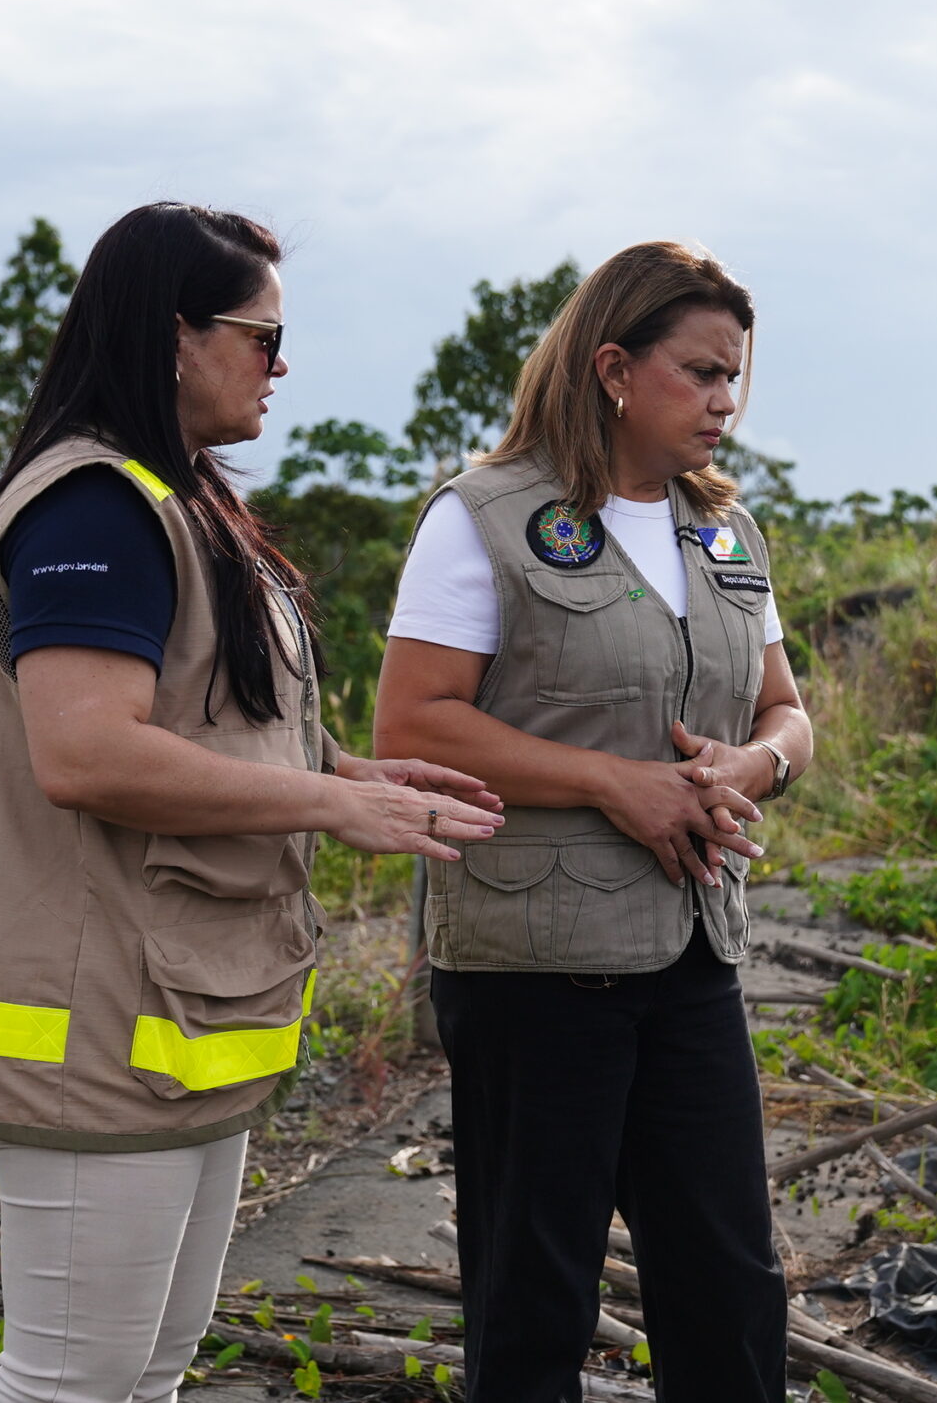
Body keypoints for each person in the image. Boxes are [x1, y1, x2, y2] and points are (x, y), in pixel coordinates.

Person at [0, 202, 504, 1403]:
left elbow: (214, 716)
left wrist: (345, 774)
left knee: (150, 1372)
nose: (278, 368)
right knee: (76, 1379)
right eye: (260, 337)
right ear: (175, 333)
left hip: (182, 1017)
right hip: (91, 1023)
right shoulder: (91, 508)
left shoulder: (181, 502)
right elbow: (83, 754)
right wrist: (325, 809)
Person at [375, 241, 817, 1403]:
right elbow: (413, 726)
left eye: (736, 377)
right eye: (702, 372)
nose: (726, 402)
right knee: (535, 1297)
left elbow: (787, 710)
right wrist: (608, 781)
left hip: (690, 958)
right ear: (614, 366)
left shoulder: (722, 531)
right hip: (537, 967)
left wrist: (753, 763)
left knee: (729, 1287)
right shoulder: (484, 518)